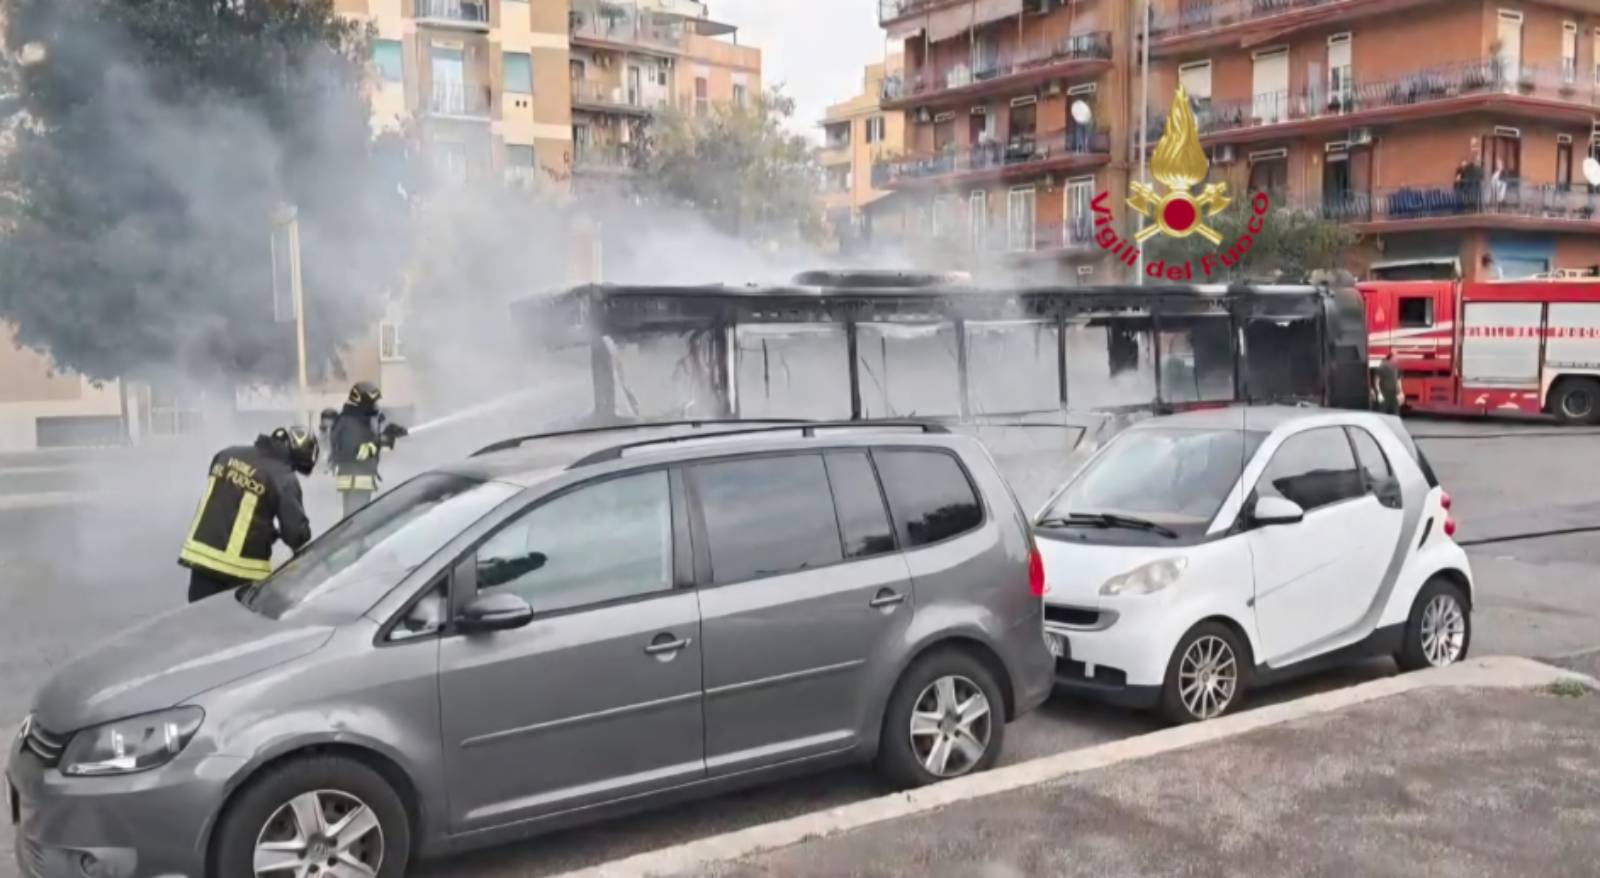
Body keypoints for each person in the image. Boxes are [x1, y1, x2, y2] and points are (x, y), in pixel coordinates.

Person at [178, 426, 317, 603]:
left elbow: (231, 502)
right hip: (241, 567)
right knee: (238, 628)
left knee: (200, 622)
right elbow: (295, 534)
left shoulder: (226, 455)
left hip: (201, 558)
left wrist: (267, 530)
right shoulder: (283, 475)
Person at [329, 381, 408, 516]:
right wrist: (381, 438)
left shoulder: (358, 420)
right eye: (373, 403)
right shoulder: (350, 423)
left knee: (356, 521)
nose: (376, 406)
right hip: (356, 481)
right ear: (363, 402)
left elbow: (373, 447)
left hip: (359, 480)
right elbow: (360, 453)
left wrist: (389, 435)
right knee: (356, 523)